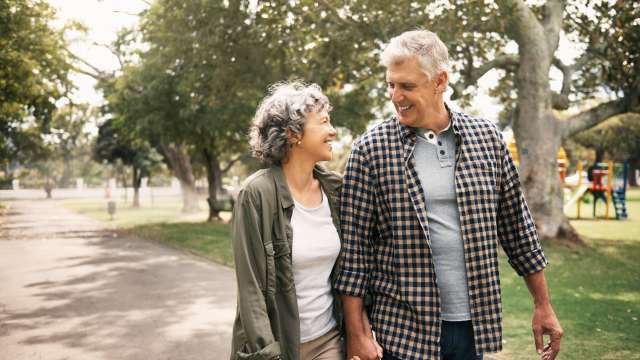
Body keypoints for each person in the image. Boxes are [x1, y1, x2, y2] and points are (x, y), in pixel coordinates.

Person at [334, 30, 563, 360]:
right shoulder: (370, 150)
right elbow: (354, 253)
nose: (395, 96)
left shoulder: (487, 139)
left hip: (473, 332)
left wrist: (543, 306)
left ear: (439, 81)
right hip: (400, 334)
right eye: (391, 84)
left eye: (407, 86)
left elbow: (519, 232)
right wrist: (357, 334)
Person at [230, 81, 381, 360]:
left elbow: (355, 267)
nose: (333, 130)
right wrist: (269, 354)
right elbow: (251, 290)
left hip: (329, 342)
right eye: (324, 122)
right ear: (293, 133)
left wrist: (360, 331)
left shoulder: (336, 189)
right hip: (280, 347)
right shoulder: (256, 195)